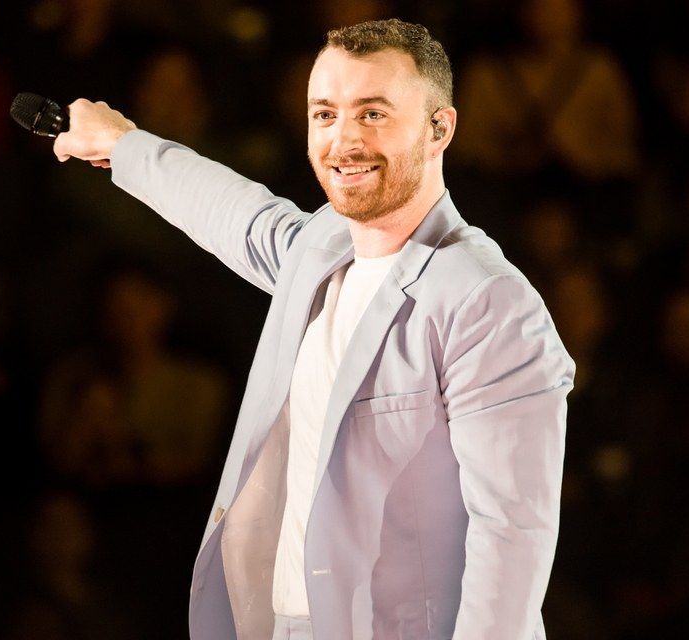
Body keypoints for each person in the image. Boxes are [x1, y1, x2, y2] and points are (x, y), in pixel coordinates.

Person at [52, 18, 574, 640]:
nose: (344, 139)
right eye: (325, 114)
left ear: (440, 128)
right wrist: (124, 145)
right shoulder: (322, 246)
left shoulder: (487, 302)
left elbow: (512, 535)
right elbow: (236, 212)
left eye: (373, 114)